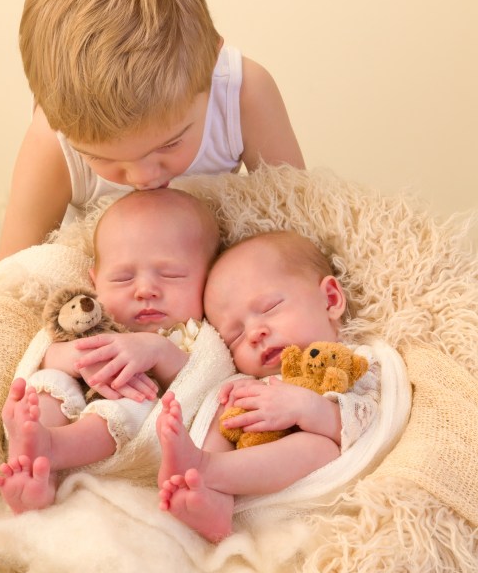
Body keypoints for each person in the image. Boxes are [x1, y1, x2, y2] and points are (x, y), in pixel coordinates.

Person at [0, 0, 305, 260]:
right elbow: (10, 275)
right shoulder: (52, 141)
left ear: (212, 67)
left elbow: (300, 227)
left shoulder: (243, 94)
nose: (143, 178)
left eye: (169, 144)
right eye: (103, 158)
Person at [0, 188, 220, 512]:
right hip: (66, 416)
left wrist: (158, 351)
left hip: (134, 434)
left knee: (132, 402)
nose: (145, 290)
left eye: (171, 275)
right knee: (49, 383)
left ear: (209, 279)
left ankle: (52, 448)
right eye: (123, 278)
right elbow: (44, 352)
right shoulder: (87, 318)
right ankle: (34, 467)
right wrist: (77, 359)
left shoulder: (196, 334)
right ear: (95, 282)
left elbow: (207, 384)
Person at [157, 231, 380, 542]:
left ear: (330, 299)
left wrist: (307, 408)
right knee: (229, 402)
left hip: (316, 492)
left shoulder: (355, 361)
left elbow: (372, 425)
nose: (254, 334)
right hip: (249, 490)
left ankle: (208, 470)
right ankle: (208, 495)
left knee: (320, 447)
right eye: (235, 335)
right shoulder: (253, 383)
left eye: (269, 307)